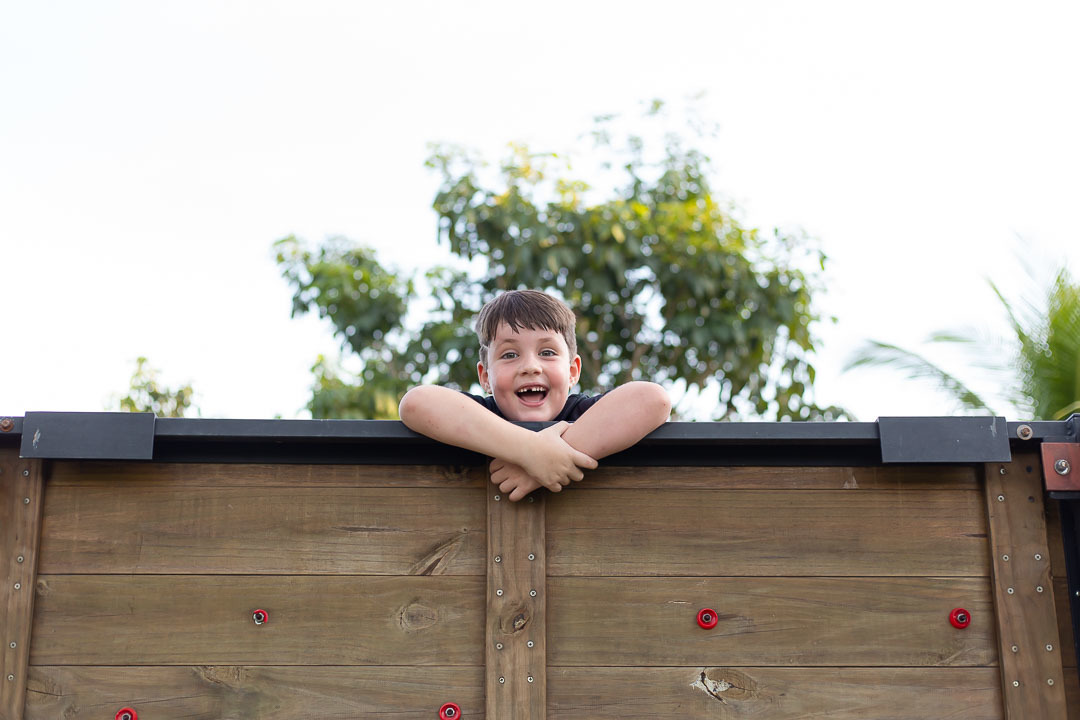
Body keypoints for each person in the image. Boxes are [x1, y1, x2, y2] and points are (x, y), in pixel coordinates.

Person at [398, 289, 671, 500]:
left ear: (573, 370)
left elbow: (653, 399)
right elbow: (416, 404)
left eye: (547, 352)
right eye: (510, 354)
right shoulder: (483, 415)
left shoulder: (584, 414)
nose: (530, 366)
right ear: (485, 376)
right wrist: (528, 451)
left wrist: (545, 463)